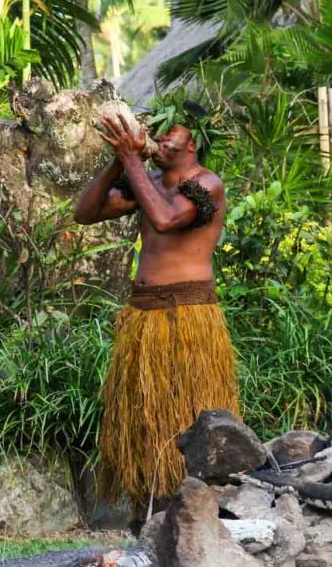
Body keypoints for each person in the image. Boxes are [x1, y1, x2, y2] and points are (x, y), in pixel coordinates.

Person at [74, 110, 239, 527]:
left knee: (191, 414)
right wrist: (119, 160)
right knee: (144, 420)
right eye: (158, 135)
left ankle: (197, 508)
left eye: (171, 136)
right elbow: (85, 213)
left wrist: (133, 162)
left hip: (190, 320)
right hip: (143, 318)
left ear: (192, 144)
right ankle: (146, 510)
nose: (161, 141)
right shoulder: (147, 183)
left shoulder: (206, 185)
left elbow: (165, 220)